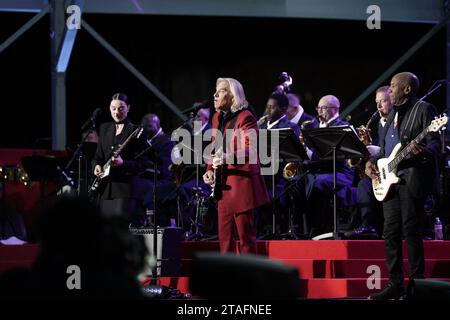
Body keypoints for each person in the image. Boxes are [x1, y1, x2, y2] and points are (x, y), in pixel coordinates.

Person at [365, 72, 441, 300]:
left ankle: (416, 286)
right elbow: (383, 149)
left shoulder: (424, 110)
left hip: (412, 181)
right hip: (390, 182)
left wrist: (424, 152)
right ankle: (395, 284)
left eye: (393, 86)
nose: (390, 90)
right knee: (390, 233)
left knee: (411, 232)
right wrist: (370, 163)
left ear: (407, 89)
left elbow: (436, 146)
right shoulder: (390, 116)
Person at [203, 77, 269, 254]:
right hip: (223, 185)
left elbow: (252, 149)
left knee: (245, 237)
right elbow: (215, 147)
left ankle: (250, 277)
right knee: (224, 239)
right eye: (216, 90)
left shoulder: (246, 117)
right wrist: (209, 169)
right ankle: (228, 277)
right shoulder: (217, 118)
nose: (215, 94)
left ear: (233, 96)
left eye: (222, 90)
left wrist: (227, 157)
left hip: (241, 184)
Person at [290, 95, 355, 237]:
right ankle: (298, 229)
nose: (320, 111)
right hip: (318, 171)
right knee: (295, 184)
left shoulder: (342, 126)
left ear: (336, 109)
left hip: (340, 171)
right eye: (318, 108)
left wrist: (309, 154)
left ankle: (317, 228)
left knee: (317, 182)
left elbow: (337, 158)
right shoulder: (313, 126)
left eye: (324, 108)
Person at [92, 93, 148, 227]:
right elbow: (98, 156)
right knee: (104, 230)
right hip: (105, 190)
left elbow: (142, 164)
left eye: (121, 108)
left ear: (128, 108)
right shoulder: (104, 128)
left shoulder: (136, 130)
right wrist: (96, 166)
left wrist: (124, 164)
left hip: (125, 190)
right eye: (113, 108)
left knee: (119, 229)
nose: (117, 112)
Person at [344, 85, 393, 239]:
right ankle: (366, 225)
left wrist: (376, 150)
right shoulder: (380, 123)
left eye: (383, 101)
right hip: (383, 169)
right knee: (363, 183)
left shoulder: (399, 120)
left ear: (393, 101)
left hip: (396, 168)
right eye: (377, 102)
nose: (378, 106)